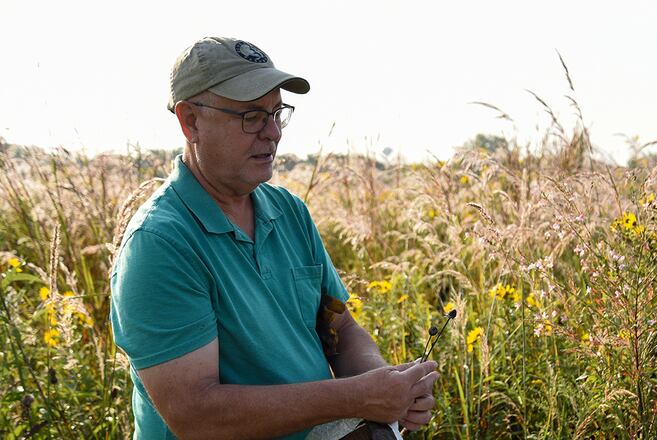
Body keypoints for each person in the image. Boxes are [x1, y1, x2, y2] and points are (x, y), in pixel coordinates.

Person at [110, 36, 438, 439]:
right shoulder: (160, 243)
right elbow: (196, 415)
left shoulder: (289, 212)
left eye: (276, 113)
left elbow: (342, 330)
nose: (272, 133)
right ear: (190, 120)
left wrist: (388, 387)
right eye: (251, 116)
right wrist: (355, 397)